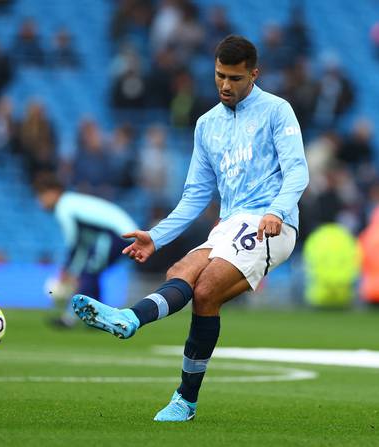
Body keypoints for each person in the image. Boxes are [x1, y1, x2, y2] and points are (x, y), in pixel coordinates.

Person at [71, 35, 309, 421]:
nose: (226, 86)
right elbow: (196, 194)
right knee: (179, 273)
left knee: (206, 289)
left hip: (272, 225)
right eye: (219, 76)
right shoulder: (206, 125)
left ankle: (185, 399)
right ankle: (129, 319)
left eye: (235, 78)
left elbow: (297, 170)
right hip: (230, 223)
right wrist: (157, 236)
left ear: (254, 74)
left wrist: (278, 211)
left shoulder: (277, 111)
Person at [35, 175, 137, 328]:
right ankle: (96, 320)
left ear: (54, 192)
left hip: (117, 234)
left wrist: (68, 269)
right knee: (91, 272)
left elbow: (74, 242)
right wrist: (71, 269)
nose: (40, 201)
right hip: (121, 234)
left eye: (42, 195)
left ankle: (73, 319)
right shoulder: (71, 201)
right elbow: (83, 245)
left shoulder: (64, 206)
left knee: (89, 272)